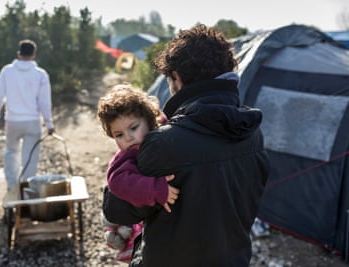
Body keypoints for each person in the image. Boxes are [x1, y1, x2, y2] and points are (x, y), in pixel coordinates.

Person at [102, 25, 270, 266]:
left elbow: (116, 210)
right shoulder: (253, 134)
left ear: (177, 78)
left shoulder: (162, 144)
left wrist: (126, 155)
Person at [97, 84, 179, 263]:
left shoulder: (161, 133)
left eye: (133, 128)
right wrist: (156, 189)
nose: (128, 138)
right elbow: (117, 181)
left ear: (150, 121)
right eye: (118, 135)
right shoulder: (126, 157)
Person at [0, 39, 54, 191]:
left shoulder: (7, 71)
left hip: (13, 121)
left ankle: (12, 187)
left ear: (19, 54)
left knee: (11, 152)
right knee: (30, 158)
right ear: (33, 55)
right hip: (32, 122)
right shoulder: (41, 74)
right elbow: (45, 102)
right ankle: (27, 189)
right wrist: (49, 124)